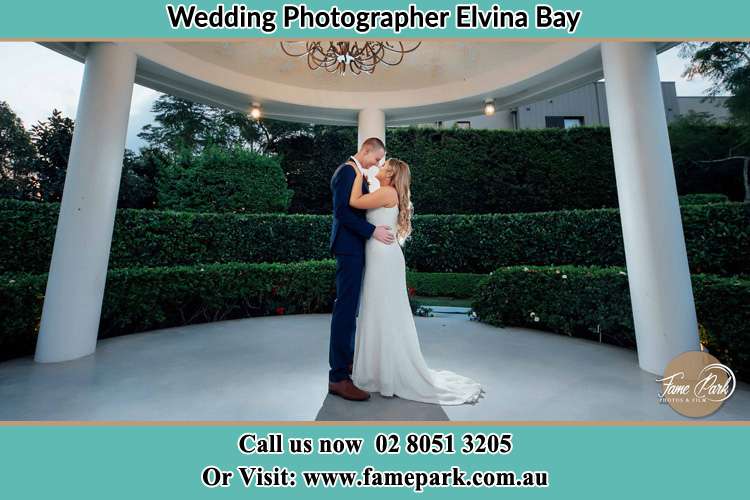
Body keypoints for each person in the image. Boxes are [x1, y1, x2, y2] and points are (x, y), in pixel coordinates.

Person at [348, 157, 484, 405]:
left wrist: (359, 172)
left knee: (384, 312)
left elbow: (355, 201)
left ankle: (386, 374)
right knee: (379, 312)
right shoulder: (387, 191)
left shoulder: (387, 192)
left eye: (385, 167)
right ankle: (380, 371)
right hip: (382, 256)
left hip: (383, 258)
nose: (380, 168)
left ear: (390, 176)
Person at [328, 137, 395, 401]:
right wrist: (371, 231)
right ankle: (338, 378)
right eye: (377, 158)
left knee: (351, 308)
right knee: (345, 310)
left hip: (355, 248)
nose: (378, 163)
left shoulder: (357, 172)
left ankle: (347, 366)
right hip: (348, 248)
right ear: (366, 150)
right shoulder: (348, 170)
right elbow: (342, 211)